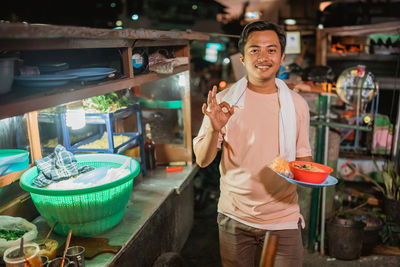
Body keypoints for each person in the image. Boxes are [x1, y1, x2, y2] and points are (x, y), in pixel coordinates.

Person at [193, 20, 312, 267]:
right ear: (243, 58)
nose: (263, 57)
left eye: (271, 49)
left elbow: (304, 159)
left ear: (281, 57)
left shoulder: (297, 104)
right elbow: (202, 160)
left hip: (283, 218)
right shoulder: (224, 103)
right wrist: (215, 129)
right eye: (254, 49)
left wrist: (310, 173)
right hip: (235, 217)